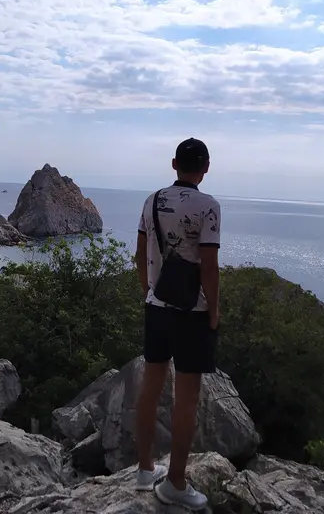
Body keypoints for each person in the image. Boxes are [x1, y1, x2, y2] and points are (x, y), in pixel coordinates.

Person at [134, 138, 221, 511]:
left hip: (156, 307)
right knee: (186, 398)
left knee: (150, 388)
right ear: (206, 168)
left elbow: (140, 254)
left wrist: (149, 291)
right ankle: (175, 483)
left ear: (174, 163)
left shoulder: (151, 200)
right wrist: (214, 310)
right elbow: (209, 266)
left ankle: (144, 470)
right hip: (192, 313)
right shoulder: (208, 206)